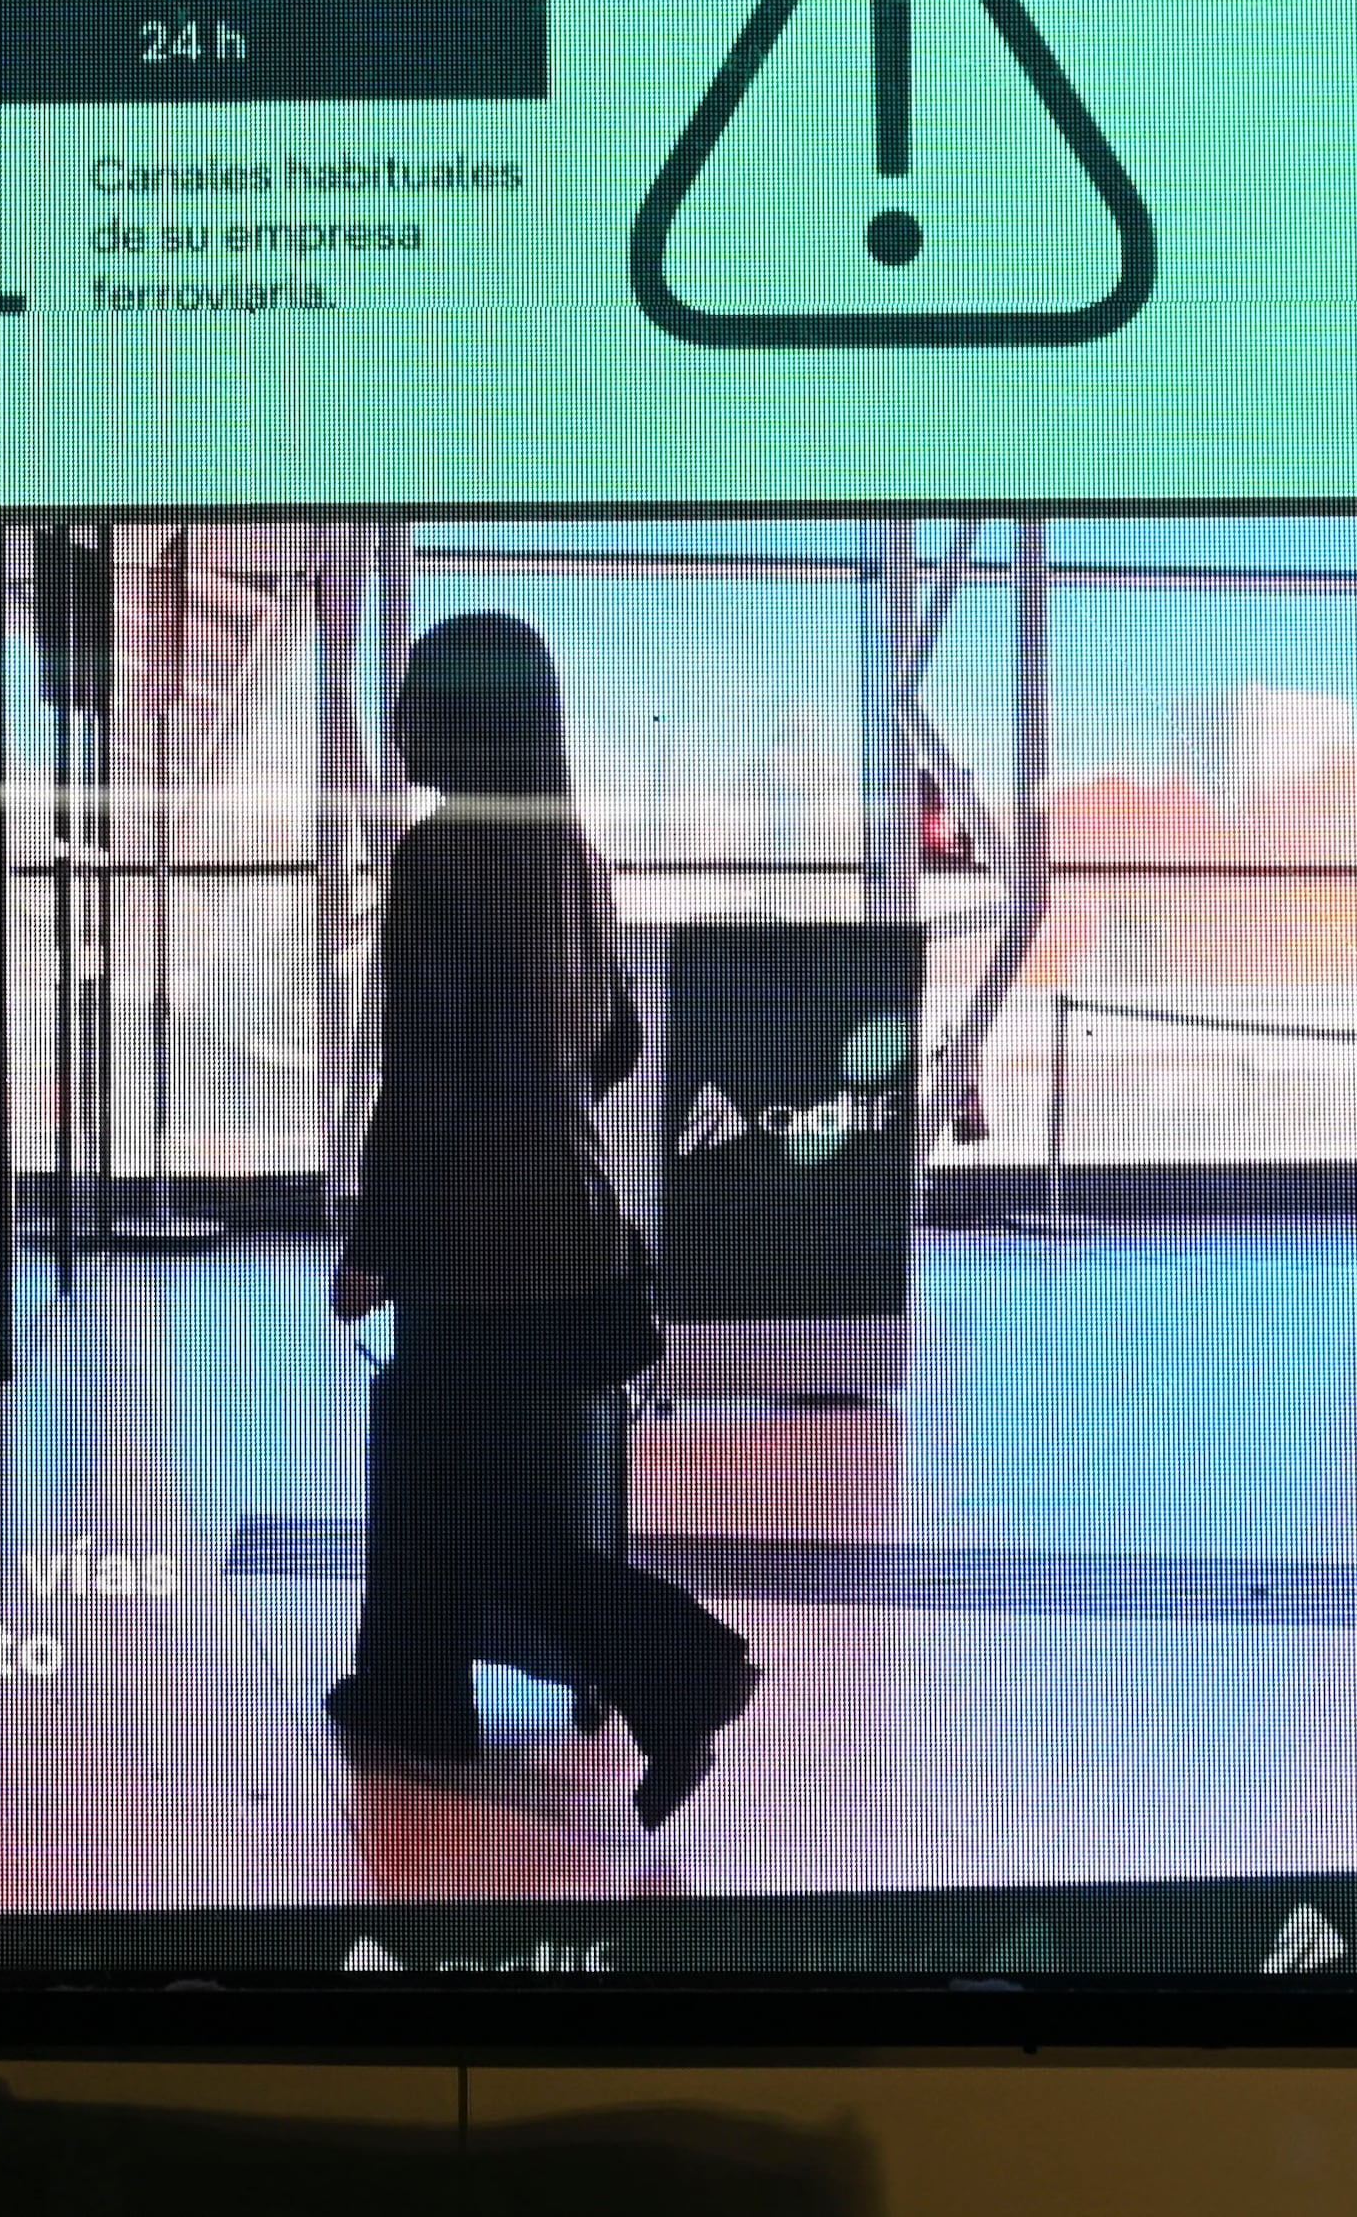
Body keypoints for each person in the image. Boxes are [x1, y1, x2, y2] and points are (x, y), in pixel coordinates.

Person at [325, 610, 762, 1832]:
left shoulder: (435, 860)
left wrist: (371, 1238)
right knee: (448, 1483)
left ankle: (685, 1674)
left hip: (474, 1241)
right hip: (574, 1222)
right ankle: (406, 1695)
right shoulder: (567, 849)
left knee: (468, 1506)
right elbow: (613, 1040)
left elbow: (419, 1076)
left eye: (413, 694)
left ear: (453, 718)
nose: (400, 715)